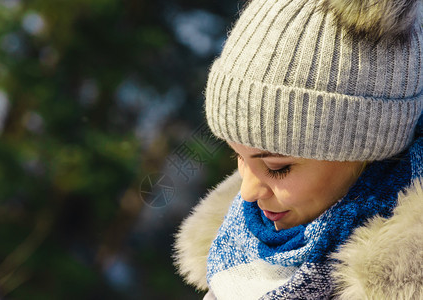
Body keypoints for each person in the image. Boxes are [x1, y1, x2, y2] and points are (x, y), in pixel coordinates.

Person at [174, 0, 423, 298]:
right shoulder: (233, 256)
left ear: (369, 150)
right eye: (238, 157)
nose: (249, 193)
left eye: (278, 168)